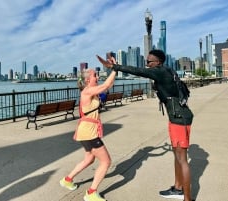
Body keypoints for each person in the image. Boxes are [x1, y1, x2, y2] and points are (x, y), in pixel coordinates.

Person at [97, 49, 193, 201]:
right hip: (179, 116)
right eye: (146, 61)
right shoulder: (168, 70)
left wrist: (115, 67)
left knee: (182, 159)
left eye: (149, 62)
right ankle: (177, 188)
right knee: (177, 156)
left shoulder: (159, 72)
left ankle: (187, 198)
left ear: (158, 62)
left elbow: (138, 71)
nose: (146, 64)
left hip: (178, 118)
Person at [59, 68, 117, 201]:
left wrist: (115, 72)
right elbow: (106, 85)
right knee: (106, 162)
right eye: (95, 75)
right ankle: (91, 193)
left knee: (89, 159)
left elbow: (108, 85)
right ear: (87, 80)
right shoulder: (87, 91)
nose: (97, 77)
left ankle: (67, 180)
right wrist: (115, 69)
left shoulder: (93, 91)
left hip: (86, 131)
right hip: (89, 132)